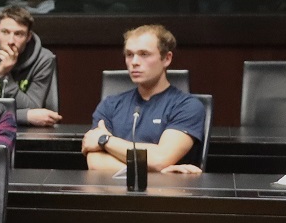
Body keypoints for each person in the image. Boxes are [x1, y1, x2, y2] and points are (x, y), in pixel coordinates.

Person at [84, 24, 209, 173]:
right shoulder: (110, 105)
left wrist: (105, 140)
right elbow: (95, 160)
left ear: (166, 59)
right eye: (129, 54)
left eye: (144, 54)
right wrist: (154, 175)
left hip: (169, 189)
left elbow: (161, 159)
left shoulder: (187, 106)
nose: (134, 62)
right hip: (115, 188)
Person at [0, 5, 61, 126]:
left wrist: (5, 75)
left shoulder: (43, 59)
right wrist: (24, 116)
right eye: (5, 32)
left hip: (28, 131)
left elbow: (33, 108)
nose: (11, 41)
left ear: (28, 36)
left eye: (18, 34)